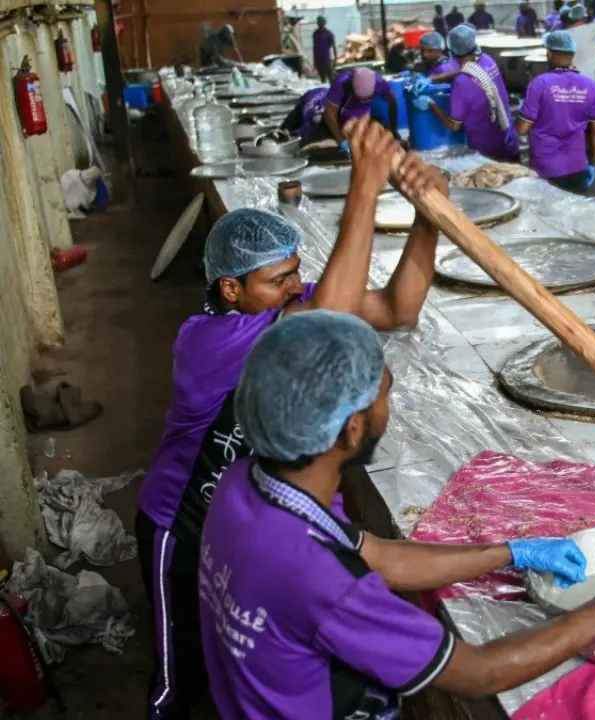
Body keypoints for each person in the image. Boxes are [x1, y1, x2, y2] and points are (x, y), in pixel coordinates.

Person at [200, 310, 595, 718]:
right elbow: (479, 673)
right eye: (382, 393)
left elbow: (381, 557)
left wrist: (511, 551)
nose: (388, 406)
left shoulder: (244, 485)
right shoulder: (324, 582)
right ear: (352, 427)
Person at [137, 118, 445, 719]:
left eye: (297, 273)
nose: (295, 287)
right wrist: (365, 184)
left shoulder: (285, 308)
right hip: (182, 522)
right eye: (278, 280)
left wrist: (428, 218)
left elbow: (399, 308)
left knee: (234, 657)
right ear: (230, 288)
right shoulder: (205, 342)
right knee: (180, 679)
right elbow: (318, 326)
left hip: (238, 516)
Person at [516, 30, 595, 193]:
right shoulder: (590, 85)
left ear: (549, 53)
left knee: (549, 216)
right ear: (572, 54)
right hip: (577, 166)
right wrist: (592, 163)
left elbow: (522, 128)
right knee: (576, 215)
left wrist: (522, 111)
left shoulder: (539, 84)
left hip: (545, 168)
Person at [429, 25, 520, 161]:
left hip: (487, 152)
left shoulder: (461, 83)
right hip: (508, 139)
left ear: (452, 52)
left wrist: (431, 105)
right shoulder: (487, 60)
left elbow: (455, 125)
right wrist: (433, 79)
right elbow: (467, 70)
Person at [322, 67, 403, 145]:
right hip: (342, 119)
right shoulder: (341, 83)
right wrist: (342, 141)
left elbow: (392, 103)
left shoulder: (379, 83)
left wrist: (394, 129)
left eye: (366, 99)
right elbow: (329, 114)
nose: (363, 101)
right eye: (360, 98)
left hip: (364, 118)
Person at [565, 3, 595, 82]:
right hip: (591, 78)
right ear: (585, 17)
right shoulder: (592, 29)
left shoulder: (566, 34)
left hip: (573, 78)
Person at [312, 16, 337, 84]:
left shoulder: (329, 34)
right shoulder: (315, 34)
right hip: (319, 60)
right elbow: (314, 48)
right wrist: (314, 61)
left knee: (331, 78)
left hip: (327, 59)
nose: (320, 23)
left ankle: (333, 92)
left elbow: (334, 47)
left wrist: (335, 59)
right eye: (318, 22)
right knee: (322, 79)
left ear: (325, 23)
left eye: (321, 22)